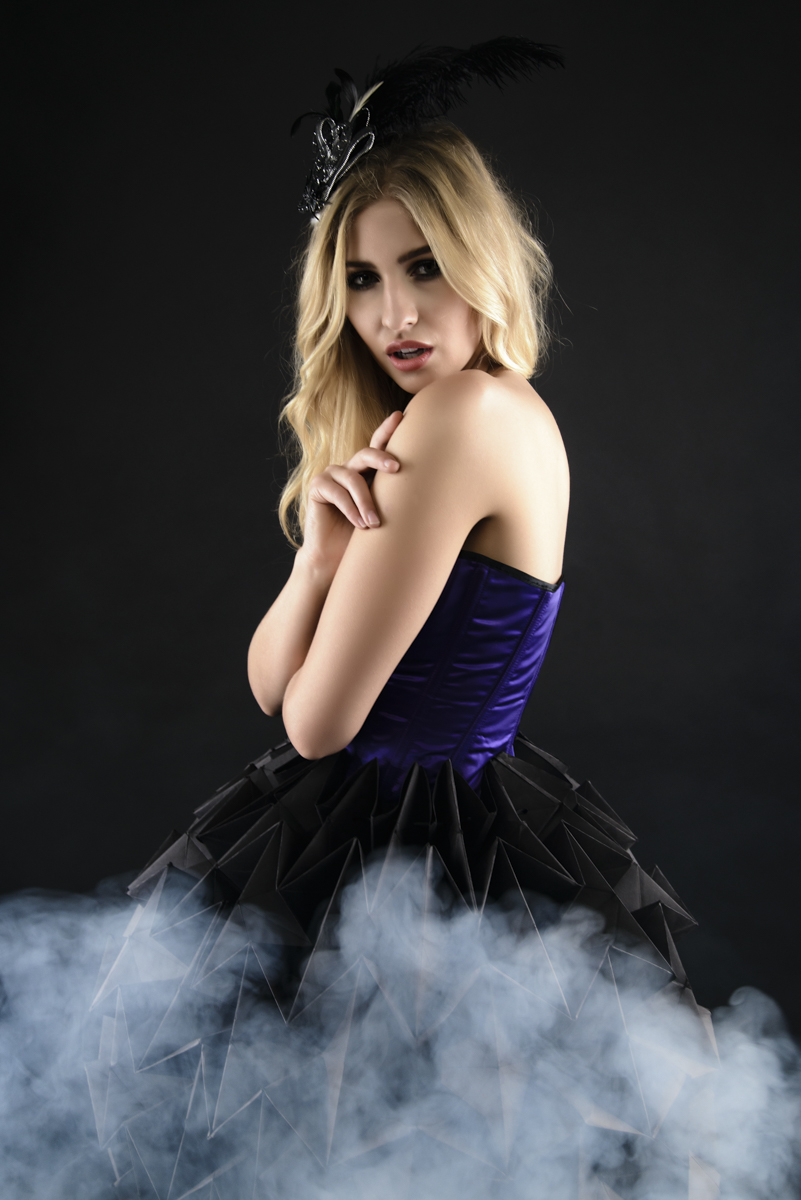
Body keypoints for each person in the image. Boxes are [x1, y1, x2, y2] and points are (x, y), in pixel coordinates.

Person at [87, 43, 744, 1200]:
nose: (392, 312)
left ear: (482, 262)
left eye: (424, 267)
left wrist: (322, 604)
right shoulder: (493, 411)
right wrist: (318, 561)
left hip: (418, 852)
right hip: (443, 825)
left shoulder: (457, 420)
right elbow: (270, 682)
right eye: (361, 278)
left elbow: (314, 723)